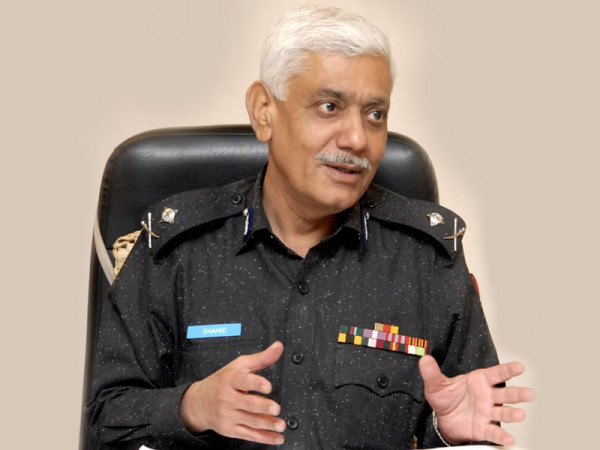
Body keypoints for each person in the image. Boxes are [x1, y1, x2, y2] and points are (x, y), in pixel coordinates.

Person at [86, 6, 533, 449]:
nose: (357, 139)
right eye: (329, 107)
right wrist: (191, 406)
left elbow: (471, 419)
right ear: (264, 111)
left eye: (375, 114)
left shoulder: (428, 258)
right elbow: (105, 419)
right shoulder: (177, 249)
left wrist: (446, 432)